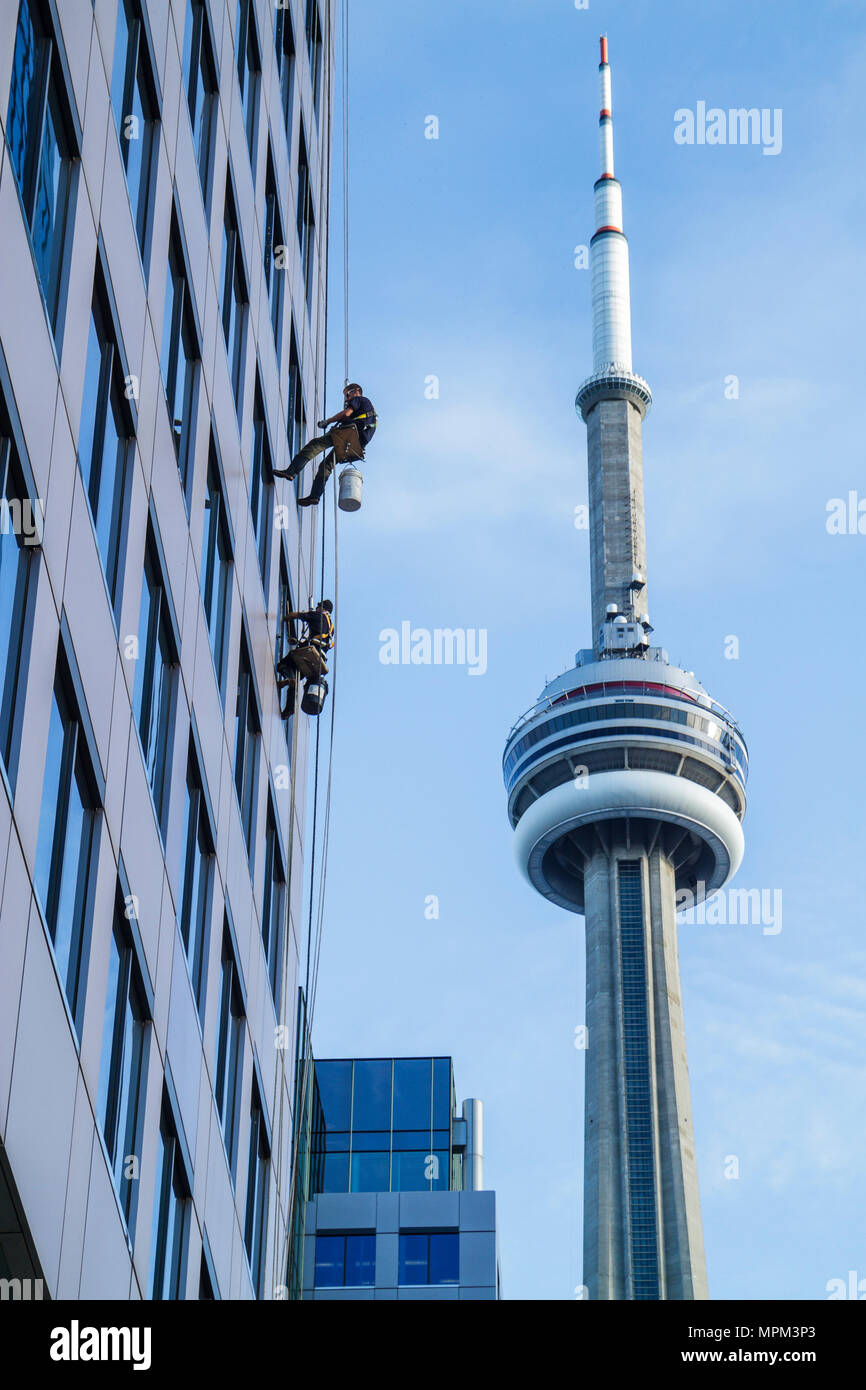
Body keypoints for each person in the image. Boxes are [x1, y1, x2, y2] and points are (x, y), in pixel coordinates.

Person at [273, 383, 377, 506]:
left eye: (348, 395)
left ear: (356, 391)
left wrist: (327, 421)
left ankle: (291, 471)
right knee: (326, 466)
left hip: (350, 432)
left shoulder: (359, 399)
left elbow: (346, 414)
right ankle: (315, 496)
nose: (347, 399)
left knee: (315, 445)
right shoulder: (367, 408)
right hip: (357, 444)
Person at [276, 599, 335, 693]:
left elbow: (297, 615)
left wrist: (284, 618)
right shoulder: (331, 629)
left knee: (283, 665)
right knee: (295, 678)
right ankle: (289, 707)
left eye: (318, 606)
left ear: (322, 608)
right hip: (317, 661)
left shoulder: (318, 616)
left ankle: (290, 679)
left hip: (309, 652)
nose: (316, 608)